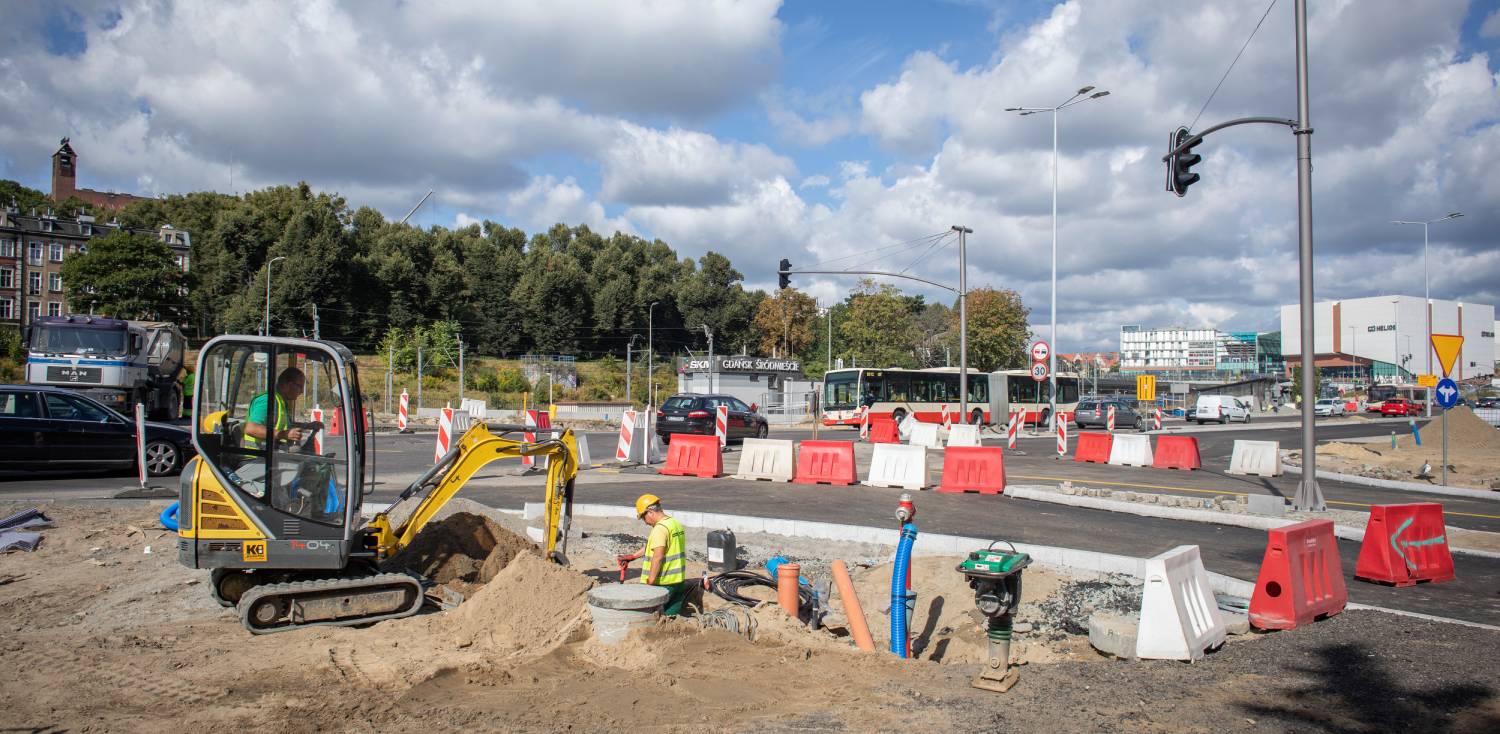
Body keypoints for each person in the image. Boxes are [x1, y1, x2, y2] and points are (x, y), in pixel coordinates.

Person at [619, 493, 688, 616]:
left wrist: (650, 581)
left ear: (650, 511)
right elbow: (653, 546)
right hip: (678, 581)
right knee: (672, 617)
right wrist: (633, 556)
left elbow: (658, 556)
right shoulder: (674, 524)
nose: (645, 522)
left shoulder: (660, 529)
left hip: (663, 583)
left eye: (643, 518)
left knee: (654, 618)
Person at [244, 367, 306, 450]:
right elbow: (251, 428)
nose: (302, 391)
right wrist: (284, 434)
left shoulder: (281, 401)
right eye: (300, 386)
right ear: (289, 385)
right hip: (257, 458)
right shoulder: (267, 400)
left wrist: (308, 426)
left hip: (273, 454)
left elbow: (286, 426)